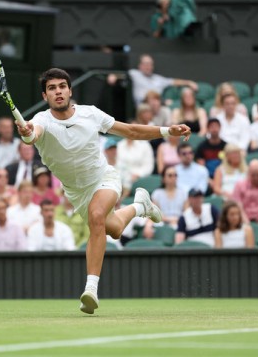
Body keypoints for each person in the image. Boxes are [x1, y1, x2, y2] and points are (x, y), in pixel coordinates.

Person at [16, 68, 191, 314]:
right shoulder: (42, 120)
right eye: (52, 88)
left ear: (70, 90)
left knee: (97, 216)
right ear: (45, 96)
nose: (58, 91)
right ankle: (141, 205)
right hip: (77, 192)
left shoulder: (90, 114)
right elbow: (33, 134)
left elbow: (130, 131)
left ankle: (91, 289)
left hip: (104, 179)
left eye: (62, 86)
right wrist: (26, 134)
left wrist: (165, 131)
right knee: (115, 229)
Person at [125, 54, 198, 106]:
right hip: (143, 106)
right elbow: (120, 75)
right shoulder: (134, 73)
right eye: (146, 64)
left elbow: (173, 81)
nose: (148, 66)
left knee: (170, 105)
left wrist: (189, 82)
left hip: (159, 107)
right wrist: (113, 76)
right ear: (140, 65)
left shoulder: (158, 78)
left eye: (150, 64)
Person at [143, 165, 187, 236]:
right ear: (163, 178)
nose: (173, 178)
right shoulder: (157, 193)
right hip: (162, 222)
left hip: (179, 223)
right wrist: (170, 220)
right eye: (170, 175)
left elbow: (186, 213)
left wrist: (178, 221)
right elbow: (154, 214)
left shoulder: (183, 193)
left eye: (175, 175)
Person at [116, 133, 155, 198]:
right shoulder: (119, 145)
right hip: (121, 177)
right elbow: (117, 163)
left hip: (137, 177)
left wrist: (138, 174)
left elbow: (148, 166)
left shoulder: (145, 145)